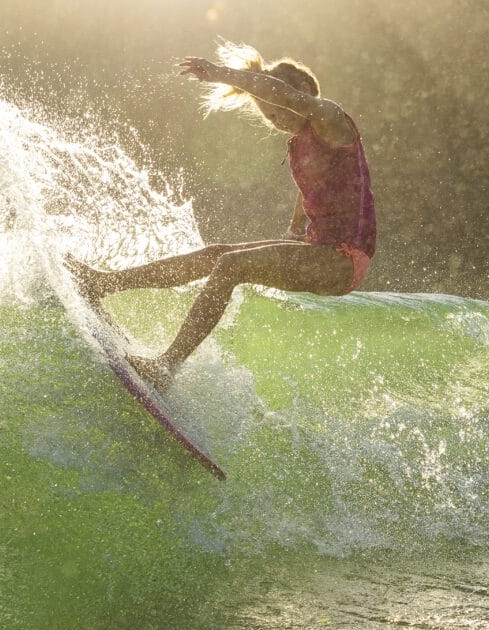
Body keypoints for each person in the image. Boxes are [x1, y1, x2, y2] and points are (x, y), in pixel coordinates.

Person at [66, 42, 377, 390]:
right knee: (218, 255)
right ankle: (102, 284)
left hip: (343, 257)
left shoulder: (330, 117)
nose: (275, 120)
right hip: (322, 250)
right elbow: (309, 189)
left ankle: (167, 366)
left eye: (278, 111)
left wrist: (219, 74)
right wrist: (293, 230)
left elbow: (281, 94)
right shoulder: (302, 140)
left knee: (232, 265)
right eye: (267, 116)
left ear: (302, 91)